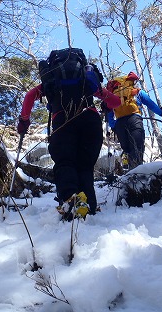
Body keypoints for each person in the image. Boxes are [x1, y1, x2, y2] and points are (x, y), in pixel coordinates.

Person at [17, 49, 121, 220]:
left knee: (65, 162)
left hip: (63, 121)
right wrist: (106, 106)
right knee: (85, 166)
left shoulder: (51, 82)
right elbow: (115, 101)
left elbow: (29, 97)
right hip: (90, 121)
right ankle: (89, 207)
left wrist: (24, 121)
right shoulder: (87, 81)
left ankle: (71, 200)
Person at [105, 71, 162, 170]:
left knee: (127, 149)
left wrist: (113, 125)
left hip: (120, 123)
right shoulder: (136, 92)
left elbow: (109, 112)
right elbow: (150, 103)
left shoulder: (114, 95)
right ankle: (137, 174)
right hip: (135, 119)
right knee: (137, 148)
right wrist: (161, 113)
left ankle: (130, 173)